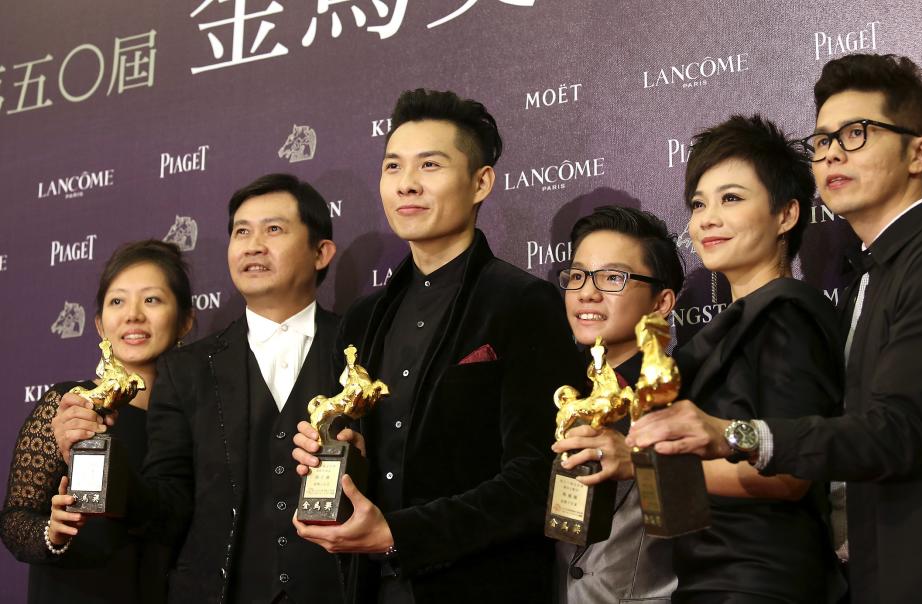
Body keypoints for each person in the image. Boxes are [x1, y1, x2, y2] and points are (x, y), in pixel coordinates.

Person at [629, 54, 922, 604]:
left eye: (856, 134)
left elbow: (892, 433)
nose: (831, 151)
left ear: (919, 152)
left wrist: (731, 435)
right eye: (823, 139)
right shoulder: (865, 282)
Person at [291, 89, 584, 604]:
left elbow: (540, 474)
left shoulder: (523, 302)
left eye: (430, 165)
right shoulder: (362, 318)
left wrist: (401, 535)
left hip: (481, 585)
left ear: (481, 182)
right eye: (393, 166)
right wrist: (337, 455)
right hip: (369, 586)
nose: (407, 184)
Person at [54, 174, 344, 604]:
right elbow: (168, 507)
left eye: (274, 229)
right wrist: (100, 464)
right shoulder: (186, 369)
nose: (252, 245)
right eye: (241, 231)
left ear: (321, 252)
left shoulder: (363, 346)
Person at [645, 115, 845, 603]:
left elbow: (790, 474)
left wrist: (638, 466)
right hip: (708, 578)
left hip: (763, 581)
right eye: (698, 204)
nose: (705, 219)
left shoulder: (788, 313)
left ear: (787, 215)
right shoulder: (731, 325)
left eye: (731, 198)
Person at [0, 240, 194, 603]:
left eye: (152, 300)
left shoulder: (199, 419)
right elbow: (14, 520)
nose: (133, 315)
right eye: (117, 301)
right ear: (100, 324)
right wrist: (51, 532)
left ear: (185, 321)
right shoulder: (69, 406)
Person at [551, 205, 683, 604]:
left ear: (661, 303)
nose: (587, 292)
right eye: (577, 276)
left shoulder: (681, 396)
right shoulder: (563, 396)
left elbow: (705, 517)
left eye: (613, 277)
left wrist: (639, 461)